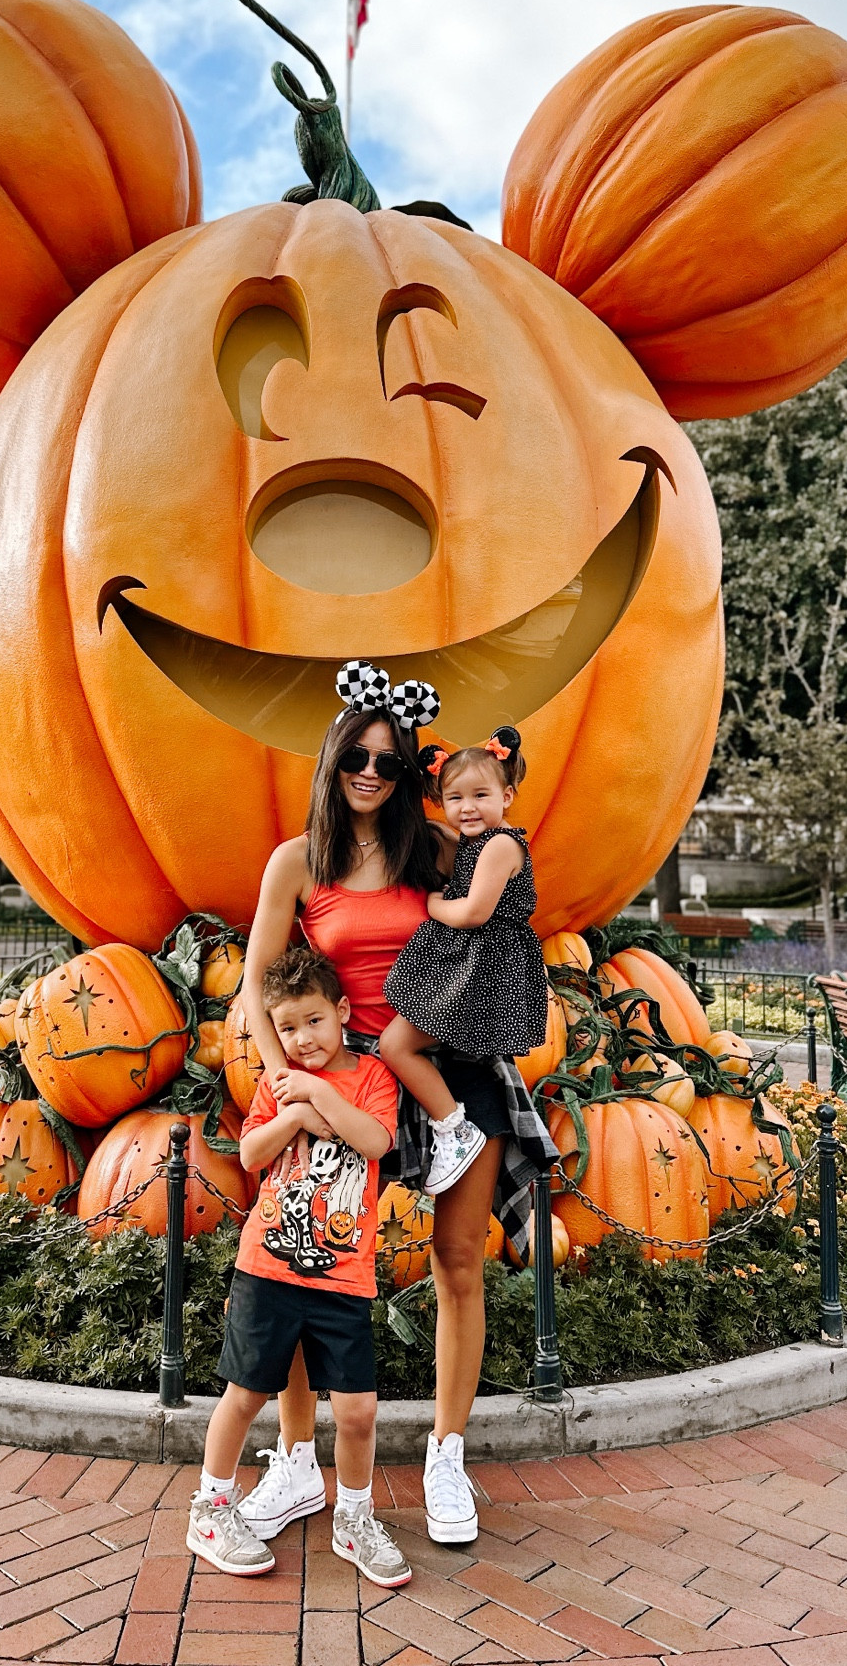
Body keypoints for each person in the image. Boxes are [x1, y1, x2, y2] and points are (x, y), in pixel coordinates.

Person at [235, 660, 557, 1550]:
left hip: (446, 1066)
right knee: (307, 1268)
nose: (372, 772)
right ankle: (299, 1464)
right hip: (342, 1083)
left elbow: (504, 898)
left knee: (459, 1261)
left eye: (389, 759)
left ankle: (447, 1454)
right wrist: (285, 1082)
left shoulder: (439, 850)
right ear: (335, 763)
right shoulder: (298, 862)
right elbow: (261, 984)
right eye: (357, 758)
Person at [186, 945, 411, 1589]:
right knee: (246, 1392)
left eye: (314, 1021)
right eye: (287, 1028)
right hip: (269, 1266)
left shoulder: (371, 1077)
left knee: (359, 1409)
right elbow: (253, 1153)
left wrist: (314, 1095)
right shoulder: (273, 1082)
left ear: (341, 1011)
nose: (302, 1039)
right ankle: (211, 1507)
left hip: (343, 1276)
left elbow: (374, 1141)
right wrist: (297, 1110)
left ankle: (355, 1517)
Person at [380, 728, 550, 1196]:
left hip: (483, 972)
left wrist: (433, 904)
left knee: (396, 1045)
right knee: (407, 1044)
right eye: (454, 797)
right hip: (474, 966)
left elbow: (474, 912)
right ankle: (450, 1123)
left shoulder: (499, 845)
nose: (467, 807)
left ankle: (454, 1128)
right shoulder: (473, 844)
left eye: (480, 794)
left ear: (507, 795)